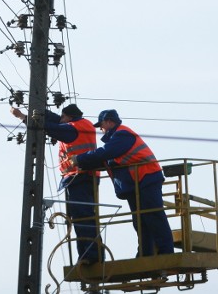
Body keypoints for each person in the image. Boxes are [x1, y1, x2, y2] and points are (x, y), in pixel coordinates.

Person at [68, 109, 174, 257]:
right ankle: (145, 253)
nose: (100, 129)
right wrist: (83, 165)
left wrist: (80, 159)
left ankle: (166, 252)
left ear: (110, 122)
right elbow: (106, 160)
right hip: (136, 183)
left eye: (102, 124)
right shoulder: (116, 139)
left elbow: (105, 152)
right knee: (140, 220)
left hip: (147, 177)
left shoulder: (122, 134)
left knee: (153, 215)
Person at [11, 104, 103, 263]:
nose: (61, 120)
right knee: (85, 216)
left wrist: (22, 117)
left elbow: (49, 127)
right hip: (85, 176)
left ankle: (90, 256)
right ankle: (93, 255)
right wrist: (36, 104)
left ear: (69, 117)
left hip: (79, 177)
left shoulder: (72, 129)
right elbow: (55, 120)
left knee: (82, 218)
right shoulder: (83, 124)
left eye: (63, 117)